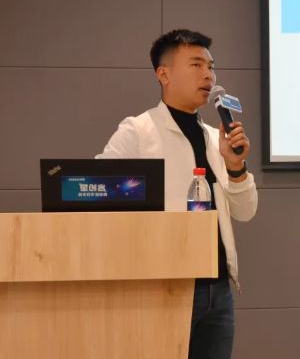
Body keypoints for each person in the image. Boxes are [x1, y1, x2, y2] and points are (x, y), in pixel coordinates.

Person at [96, 29, 258, 359]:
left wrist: (236, 166)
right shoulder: (138, 131)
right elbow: (96, 194)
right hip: (163, 286)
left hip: (217, 289)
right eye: (196, 65)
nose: (208, 75)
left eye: (211, 67)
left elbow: (245, 212)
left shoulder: (214, 138)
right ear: (163, 74)